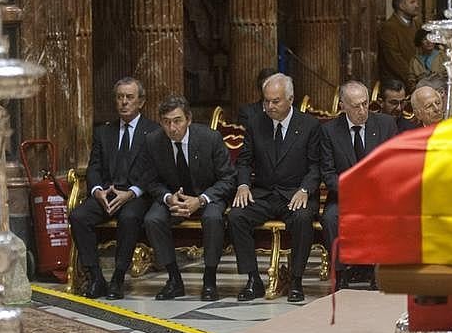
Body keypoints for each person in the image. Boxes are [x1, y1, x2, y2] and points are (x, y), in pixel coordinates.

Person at [230, 73, 322, 304]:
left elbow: (316, 166)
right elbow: (244, 160)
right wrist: (242, 185)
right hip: (264, 193)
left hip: (295, 194)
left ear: (290, 99)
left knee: (302, 219)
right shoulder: (255, 123)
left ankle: (296, 280)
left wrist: (305, 190)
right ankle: (253, 279)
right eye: (266, 101)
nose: (269, 106)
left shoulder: (309, 125)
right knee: (236, 216)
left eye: (276, 101)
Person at [69, 77, 160, 299]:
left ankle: (118, 278)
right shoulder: (104, 132)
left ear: (141, 102)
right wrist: (97, 190)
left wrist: (131, 192)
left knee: (129, 218)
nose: (124, 102)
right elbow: (94, 167)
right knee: (79, 215)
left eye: (129, 97)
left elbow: (154, 171)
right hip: (107, 194)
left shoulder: (153, 131)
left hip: (135, 195)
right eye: (120, 97)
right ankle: (95, 277)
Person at [142, 96, 236, 302]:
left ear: (189, 119)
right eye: (166, 122)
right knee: (152, 219)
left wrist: (200, 200)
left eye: (177, 121)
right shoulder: (153, 141)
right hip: (174, 198)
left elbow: (228, 179)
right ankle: (174, 279)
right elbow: (150, 181)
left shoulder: (210, 138)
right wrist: (168, 198)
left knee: (213, 218)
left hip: (208, 196)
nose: (172, 128)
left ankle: (209, 279)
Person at [319, 81, 399, 288]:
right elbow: (327, 173)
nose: (362, 110)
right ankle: (341, 273)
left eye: (365, 104)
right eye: (356, 106)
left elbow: (393, 165)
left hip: (378, 195)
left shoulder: (386, 124)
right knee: (330, 218)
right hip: (344, 195)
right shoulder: (329, 131)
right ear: (343, 106)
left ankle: (376, 270)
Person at [377, 0, 421, 86]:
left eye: (416, 2)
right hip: (397, 83)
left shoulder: (417, 25)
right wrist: (411, 78)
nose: (417, 5)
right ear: (401, 6)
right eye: (412, 2)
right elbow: (394, 58)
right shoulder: (389, 27)